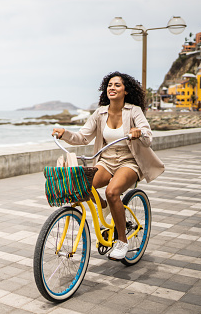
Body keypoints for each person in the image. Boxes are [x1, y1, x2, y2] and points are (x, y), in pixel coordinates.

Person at [52, 71, 164, 260]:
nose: (112, 88)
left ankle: (122, 241)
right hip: (106, 160)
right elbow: (83, 137)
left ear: (126, 91)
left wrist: (139, 133)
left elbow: (148, 136)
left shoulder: (134, 111)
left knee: (112, 191)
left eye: (117, 85)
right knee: (83, 185)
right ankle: (105, 207)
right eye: (110, 85)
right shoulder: (100, 113)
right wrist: (65, 133)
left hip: (129, 161)